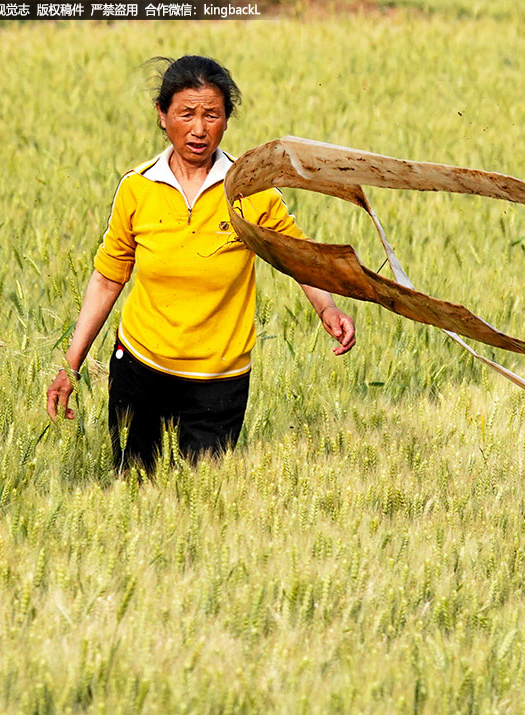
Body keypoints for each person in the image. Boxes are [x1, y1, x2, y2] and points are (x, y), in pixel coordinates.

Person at [46, 55, 355, 472]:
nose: (198, 128)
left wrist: (327, 307)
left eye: (211, 114)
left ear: (227, 120)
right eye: (186, 113)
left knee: (204, 498)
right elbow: (108, 278)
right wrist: (72, 363)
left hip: (219, 382)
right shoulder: (138, 188)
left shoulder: (250, 191)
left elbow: (297, 255)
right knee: (134, 493)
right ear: (162, 115)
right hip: (140, 371)